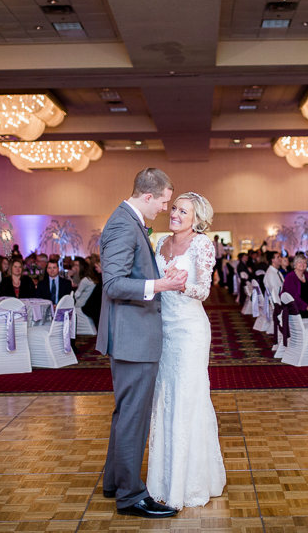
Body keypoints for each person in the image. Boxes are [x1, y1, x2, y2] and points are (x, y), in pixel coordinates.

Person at [96, 168, 187, 519]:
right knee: (133, 416)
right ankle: (131, 496)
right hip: (133, 337)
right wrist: (161, 286)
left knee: (126, 414)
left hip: (132, 334)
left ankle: (114, 482)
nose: (166, 208)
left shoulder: (128, 221)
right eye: (164, 201)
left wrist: (158, 280)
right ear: (147, 196)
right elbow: (114, 284)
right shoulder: (122, 224)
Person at [148, 192, 226, 509]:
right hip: (164, 329)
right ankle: (163, 481)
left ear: (196, 219)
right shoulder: (161, 243)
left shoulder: (202, 244)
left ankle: (189, 484)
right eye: (175, 208)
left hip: (191, 330)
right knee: (166, 398)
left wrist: (182, 284)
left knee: (187, 399)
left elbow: (204, 290)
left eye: (184, 211)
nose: (176, 214)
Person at [282, 255, 308, 319]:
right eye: (299, 262)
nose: (302, 264)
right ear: (294, 264)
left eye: (304, 262)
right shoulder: (290, 277)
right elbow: (293, 298)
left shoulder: (307, 275)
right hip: (298, 311)